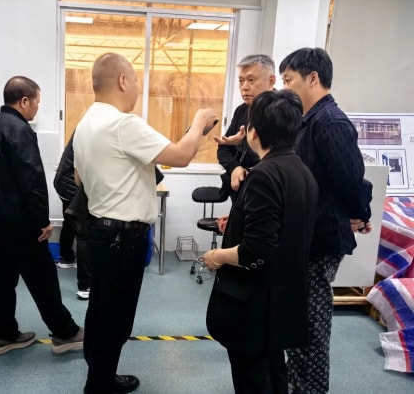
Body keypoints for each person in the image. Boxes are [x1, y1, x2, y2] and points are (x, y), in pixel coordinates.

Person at [73, 52, 217, 394]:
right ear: (123, 81)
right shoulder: (123, 124)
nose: (137, 88)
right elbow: (181, 156)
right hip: (123, 238)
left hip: (100, 231)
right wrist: (199, 122)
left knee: (101, 310)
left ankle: (100, 376)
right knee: (116, 317)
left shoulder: (85, 124)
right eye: (136, 80)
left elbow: (78, 178)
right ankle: (98, 386)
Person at [201, 90, 318, 394]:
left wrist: (217, 256)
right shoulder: (301, 171)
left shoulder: (264, 175)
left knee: (252, 377)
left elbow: (256, 249)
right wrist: (237, 221)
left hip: (254, 302)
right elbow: (283, 226)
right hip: (282, 296)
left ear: (253, 132)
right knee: (273, 370)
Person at [279, 48, 373, 394]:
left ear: (312, 78)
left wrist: (360, 214)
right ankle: (296, 382)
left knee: (312, 325)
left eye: (289, 80)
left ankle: (312, 389)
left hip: (321, 239)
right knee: (298, 318)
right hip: (307, 234)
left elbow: (350, 179)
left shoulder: (330, 122)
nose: (285, 88)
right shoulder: (309, 120)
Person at [0, 76, 84, 356]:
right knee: (43, 279)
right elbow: (32, 180)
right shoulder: (20, 130)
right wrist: (43, 220)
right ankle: (65, 333)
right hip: (22, 225)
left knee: (2, 282)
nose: (37, 108)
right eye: (37, 103)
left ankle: (4, 335)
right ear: (24, 101)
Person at [215, 54, 276, 201]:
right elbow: (223, 149)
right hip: (240, 192)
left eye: (251, 80)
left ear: (271, 81)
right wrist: (234, 167)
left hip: (268, 192)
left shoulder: (284, 112)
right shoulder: (241, 111)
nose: (244, 87)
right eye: (241, 81)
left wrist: (251, 171)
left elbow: (284, 157)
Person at [54, 132, 92, 300]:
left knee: (70, 221)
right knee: (83, 232)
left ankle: (66, 258)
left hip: (63, 182)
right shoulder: (90, 132)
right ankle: (86, 286)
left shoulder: (85, 128)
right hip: (70, 184)